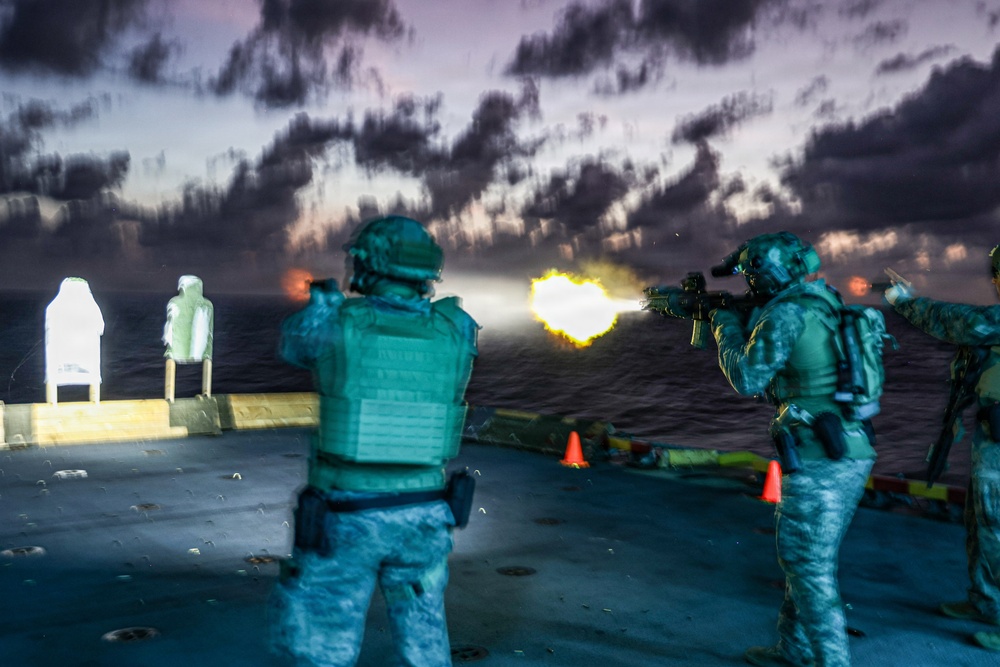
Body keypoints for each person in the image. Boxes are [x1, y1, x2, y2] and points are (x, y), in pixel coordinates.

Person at [269, 216, 479, 667]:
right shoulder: (457, 328)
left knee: (323, 641)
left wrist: (322, 304)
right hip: (427, 510)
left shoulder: (337, 322)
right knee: (424, 634)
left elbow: (294, 346)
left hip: (349, 513)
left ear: (368, 261)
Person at [709, 232, 882, 667]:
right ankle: (793, 648)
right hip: (851, 448)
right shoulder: (826, 303)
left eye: (752, 273)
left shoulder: (785, 314)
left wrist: (723, 325)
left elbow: (747, 378)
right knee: (808, 562)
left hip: (819, 457)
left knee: (808, 568)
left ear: (767, 272)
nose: (749, 282)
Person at [885, 245, 1000, 652]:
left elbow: (954, 321)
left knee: (995, 526)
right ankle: (986, 600)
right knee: (983, 521)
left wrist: (906, 301)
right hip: (993, 436)